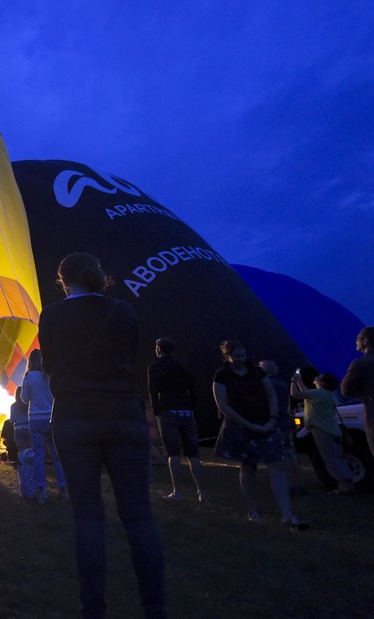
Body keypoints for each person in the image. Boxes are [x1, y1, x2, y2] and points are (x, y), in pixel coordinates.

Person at [38, 252, 165, 619]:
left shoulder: (52, 315)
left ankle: (93, 609)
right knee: (139, 517)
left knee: (88, 518)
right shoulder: (122, 310)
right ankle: (155, 609)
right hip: (123, 414)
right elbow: (133, 354)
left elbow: (48, 364)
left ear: (63, 281)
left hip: (75, 417)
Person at [213, 339, 307, 530]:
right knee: (248, 466)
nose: (241, 359)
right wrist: (247, 424)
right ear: (227, 357)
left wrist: (272, 419)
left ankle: (287, 514)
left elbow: (270, 395)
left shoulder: (257, 372)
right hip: (241, 426)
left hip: (266, 423)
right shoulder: (222, 376)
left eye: (243, 355)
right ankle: (252, 510)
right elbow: (223, 405)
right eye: (237, 356)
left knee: (277, 464)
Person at [147, 337, 206, 502]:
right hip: (186, 411)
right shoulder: (182, 367)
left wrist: (157, 410)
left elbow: (153, 390)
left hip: (168, 411)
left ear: (159, 348)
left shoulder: (155, 367)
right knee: (193, 454)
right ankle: (202, 492)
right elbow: (193, 389)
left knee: (173, 453)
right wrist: (191, 408)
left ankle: (177, 491)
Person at [291, 371, 354, 493]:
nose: (316, 377)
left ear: (323, 383)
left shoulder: (319, 393)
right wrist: (299, 380)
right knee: (338, 457)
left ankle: (344, 487)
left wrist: (293, 381)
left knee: (331, 459)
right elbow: (305, 393)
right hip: (332, 429)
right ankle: (348, 483)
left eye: (319, 377)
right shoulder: (327, 394)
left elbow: (296, 394)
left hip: (322, 430)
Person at [21, 349, 67, 502]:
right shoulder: (48, 376)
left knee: (39, 454)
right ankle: (63, 488)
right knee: (56, 455)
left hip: (35, 418)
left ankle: (41, 491)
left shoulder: (28, 377)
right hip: (51, 417)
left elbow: (25, 398)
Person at [259, 359, 306, 495]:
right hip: (285, 424)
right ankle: (298, 484)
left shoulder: (266, 384)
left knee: (279, 457)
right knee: (291, 455)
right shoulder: (281, 383)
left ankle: (287, 486)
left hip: (274, 425)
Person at [341, 326, 374, 458]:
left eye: (358, 339)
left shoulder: (361, 363)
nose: (356, 342)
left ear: (365, 341)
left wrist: (364, 395)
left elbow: (346, 389)